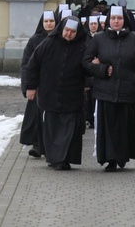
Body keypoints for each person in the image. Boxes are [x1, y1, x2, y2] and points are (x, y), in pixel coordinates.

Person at [83, 5, 135, 172]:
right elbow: (85, 62)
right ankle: (110, 159)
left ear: (124, 20)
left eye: (119, 19)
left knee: (125, 126)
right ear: (108, 20)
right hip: (105, 91)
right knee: (109, 128)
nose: (116, 21)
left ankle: (123, 157)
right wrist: (102, 69)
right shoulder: (99, 39)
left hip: (128, 91)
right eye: (113, 19)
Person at [25, 16, 88, 170]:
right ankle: (54, 159)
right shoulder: (49, 43)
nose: (68, 34)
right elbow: (32, 65)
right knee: (52, 130)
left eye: (72, 32)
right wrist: (31, 87)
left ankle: (64, 159)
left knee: (69, 131)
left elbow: (89, 68)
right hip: (50, 94)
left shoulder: (83, 46)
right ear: (61, 29)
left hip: (72, 96)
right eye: (66, 30)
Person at [20, 10, 58, 158]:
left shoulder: (61, 38)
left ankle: (51, 146)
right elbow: (26, 64)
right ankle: (37, 145)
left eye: (51, 21)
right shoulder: (34, 40)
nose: (49, 24)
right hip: (38, 85)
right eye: (46, 21)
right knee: (36, 117)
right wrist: (28, 86)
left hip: (55, 85)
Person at [83, 16, 102, 129]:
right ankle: (89, 118)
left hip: (99, 70)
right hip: (89, 70)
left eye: (95, 24)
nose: (94, 26)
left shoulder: (102, 37)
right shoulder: (84, 38)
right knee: (88, 98)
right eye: (91, 24)